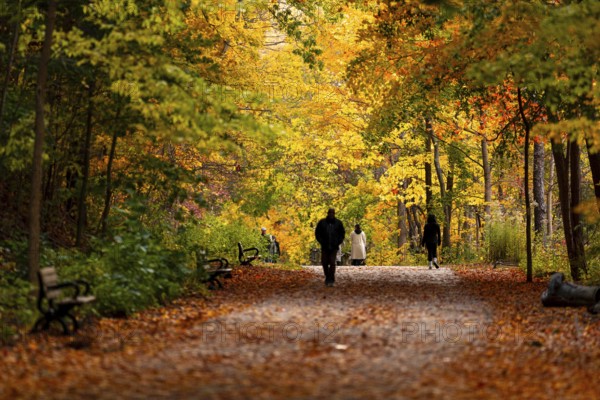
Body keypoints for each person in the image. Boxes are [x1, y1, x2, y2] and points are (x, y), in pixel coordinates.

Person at [315, 208, 345, 287]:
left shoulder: (338, 223)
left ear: (334, 214)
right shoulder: (322, 223)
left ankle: (331, 278)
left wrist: (338, 241)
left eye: (333, 213)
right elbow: (317, 233)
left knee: (332, 262)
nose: (331, 214)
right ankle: (327, 276)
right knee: (324, 262)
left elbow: (342, 233)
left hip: (334, 246)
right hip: (325, 246)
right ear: (328, 213)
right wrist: (321, 241)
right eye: (330, 213)